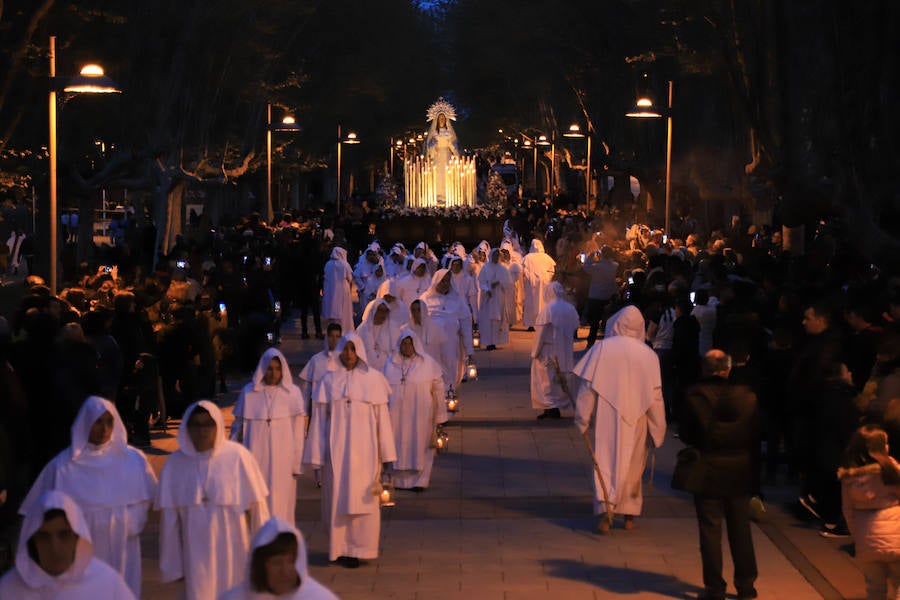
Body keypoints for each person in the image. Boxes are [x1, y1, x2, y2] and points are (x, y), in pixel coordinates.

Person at [19, 396, 156, 597]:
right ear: (86, 422)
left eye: (109, 422)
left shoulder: (132, 460)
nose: (104, 429)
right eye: (97, 422)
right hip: (78, 549)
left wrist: (130, 522)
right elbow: (40, 509)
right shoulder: (63, 466)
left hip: (122, 543)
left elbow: (147, 499)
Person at [157, 400, 270, 600]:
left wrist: (263, 557)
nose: (203, 432)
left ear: (218, 426)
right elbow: (170, 523)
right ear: (187, 428)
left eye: (208, 425)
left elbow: (258, 512)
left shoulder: (238, 457)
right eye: (196, 425)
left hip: (234, 548)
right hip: (194, 554)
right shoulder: (175, 464)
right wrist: (173, 566)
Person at [303, 333, 397, 568]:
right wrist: (315, 454)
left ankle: (360, 548)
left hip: (366, 453)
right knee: (336, 501)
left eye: (353, 350)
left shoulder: (374, 380)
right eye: (345, 350)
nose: (349, 354)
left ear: (359, 352)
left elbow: (382, 420)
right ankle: (340, 548)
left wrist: (387, 454)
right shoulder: (328, 381)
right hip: (336, 454)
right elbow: (319, 422)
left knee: (363, 501)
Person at [573, 305, 667, 532]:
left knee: (606, 461)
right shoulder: (648, 355)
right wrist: (658, 429)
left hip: (608, 417)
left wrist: (582, 418)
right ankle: (628, 513)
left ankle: (608, 509)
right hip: (638, 418)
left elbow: (587, 388)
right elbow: (656, 397)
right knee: (634, 465)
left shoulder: (602, 350)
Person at [679, 350, 759, 600]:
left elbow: (687, 433)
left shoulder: (695, 395)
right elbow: (757, 432)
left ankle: (715, 587)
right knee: (741, 528)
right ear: (727, 368)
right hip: (740, 467)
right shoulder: (747, 396)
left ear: (706, 368)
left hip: (708, 466)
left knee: (710, 529)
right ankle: (746, 585)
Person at [0, 489, 135, 599]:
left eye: (64, 535)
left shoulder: (107, 584)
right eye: (44, 537)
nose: (55, 547)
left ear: (78, 537)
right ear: (32, 540)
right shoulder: (9, 589)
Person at [231, 348, 306, 524]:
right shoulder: (248, 393)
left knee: (282, 506)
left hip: (283, 462)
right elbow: (237, 430)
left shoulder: (293, 393)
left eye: (277, 369)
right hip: (255, 460)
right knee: (257, 507)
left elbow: (298, 432)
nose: (273, 373)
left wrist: (296, 463)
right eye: (270, 368)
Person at [838, 425, 900, 600]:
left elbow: (847, 510)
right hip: (897, 538)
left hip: (867, 540)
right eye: (885, 443)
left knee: (874, 588)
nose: (888, 446)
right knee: (898, 583)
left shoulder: (849, 478)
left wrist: (857, 535)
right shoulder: (893, 470)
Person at [383, 329, 446, 491]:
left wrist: (440, 417)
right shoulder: (390, 363)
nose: (406, 347)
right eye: (403, 344)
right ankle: (397, 481)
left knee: (421, 445)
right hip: (396, 416)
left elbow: (438, 388)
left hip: (420, 416)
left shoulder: (428, 363)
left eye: (409, 344)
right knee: (397, 446)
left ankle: (420, 481)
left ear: (415, 345)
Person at [219, 516, 338, 600]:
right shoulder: (234, 598)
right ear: (260, 566)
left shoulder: (318, 597)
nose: (285, 571)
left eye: (292, 562)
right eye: (276, 563)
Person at [419, 269, 475, 394]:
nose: (444, 284)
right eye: (442, 281)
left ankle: (449, 392)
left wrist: (469, 350)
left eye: (447, 281)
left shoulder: (457, 300)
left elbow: (465, 325)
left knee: (450, 367)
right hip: (430, 344)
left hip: (450, 343)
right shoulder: (425, 298)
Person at [531, 282, 579, 420]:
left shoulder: (548, 309)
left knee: (546, 379)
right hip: (565, 349)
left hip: (548, 349)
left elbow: (541, 332)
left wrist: (535, 352)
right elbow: (575, 325)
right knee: (560, 378)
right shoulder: (570, 308)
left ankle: (551, 407)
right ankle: (555, 406)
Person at [582, 246, 619, 347]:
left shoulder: (597, 266)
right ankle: (608, 343)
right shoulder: (615, 265)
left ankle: (591, 342)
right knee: (608, 320)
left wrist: (591, 255)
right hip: (608, 295)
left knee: (594, 321)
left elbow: (585, 267)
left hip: (595, 296)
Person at [477, 249, 511, 351]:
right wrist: (487, 289)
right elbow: (481, 281)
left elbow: (508, 283)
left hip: (498, 298)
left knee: (497, 320)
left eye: (498, 255)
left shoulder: (503, 269)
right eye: (494, 255)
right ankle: (488, 342)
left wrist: (499, 283)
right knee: (488, 320)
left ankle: (496, 341)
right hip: (489, 298)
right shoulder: (486, 268)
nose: (496, 257)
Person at [522, 239, 556, 330]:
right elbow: (552, 271)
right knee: (535, 303)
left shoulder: (528, 257)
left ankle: (534, 324)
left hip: (536, 285)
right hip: (535, 285)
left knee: (536, 303)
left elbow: (525, 270)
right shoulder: (542, 257)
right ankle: (534, 323)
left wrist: (542, 278)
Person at [356, 298, 399, 372]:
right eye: (380, 310)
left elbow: (395, 352)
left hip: (386, 369)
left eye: (385, 311)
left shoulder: (392, 329)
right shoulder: (363, 329)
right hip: (365, 369)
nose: (383, 314)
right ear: (374, 311)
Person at [321, 247, 354, 334]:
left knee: (332, 308)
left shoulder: (328, 264)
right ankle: (345, 329)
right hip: (342, 289)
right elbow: (350, 278)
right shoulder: (344, 264)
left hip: (330, 290)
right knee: (344, 311)